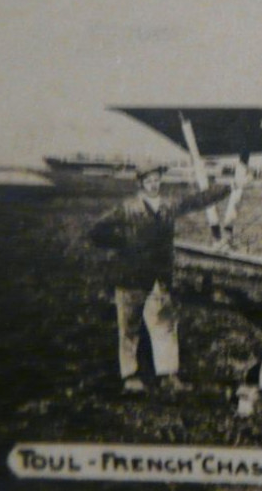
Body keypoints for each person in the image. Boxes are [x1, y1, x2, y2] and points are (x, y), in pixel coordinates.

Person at [88, 164, 230, 394]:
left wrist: (227, 187)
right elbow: (96, 231)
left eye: (157, 179)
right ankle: (130, 377)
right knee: (129, 327)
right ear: (141, 183)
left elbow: (195, 201)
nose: (154, 184)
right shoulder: (128, 208)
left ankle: (168, 375)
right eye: (149, 180)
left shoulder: (168, 205)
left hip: (159, 277)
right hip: (130, 276)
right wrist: (122, 244)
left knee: (164, 325)